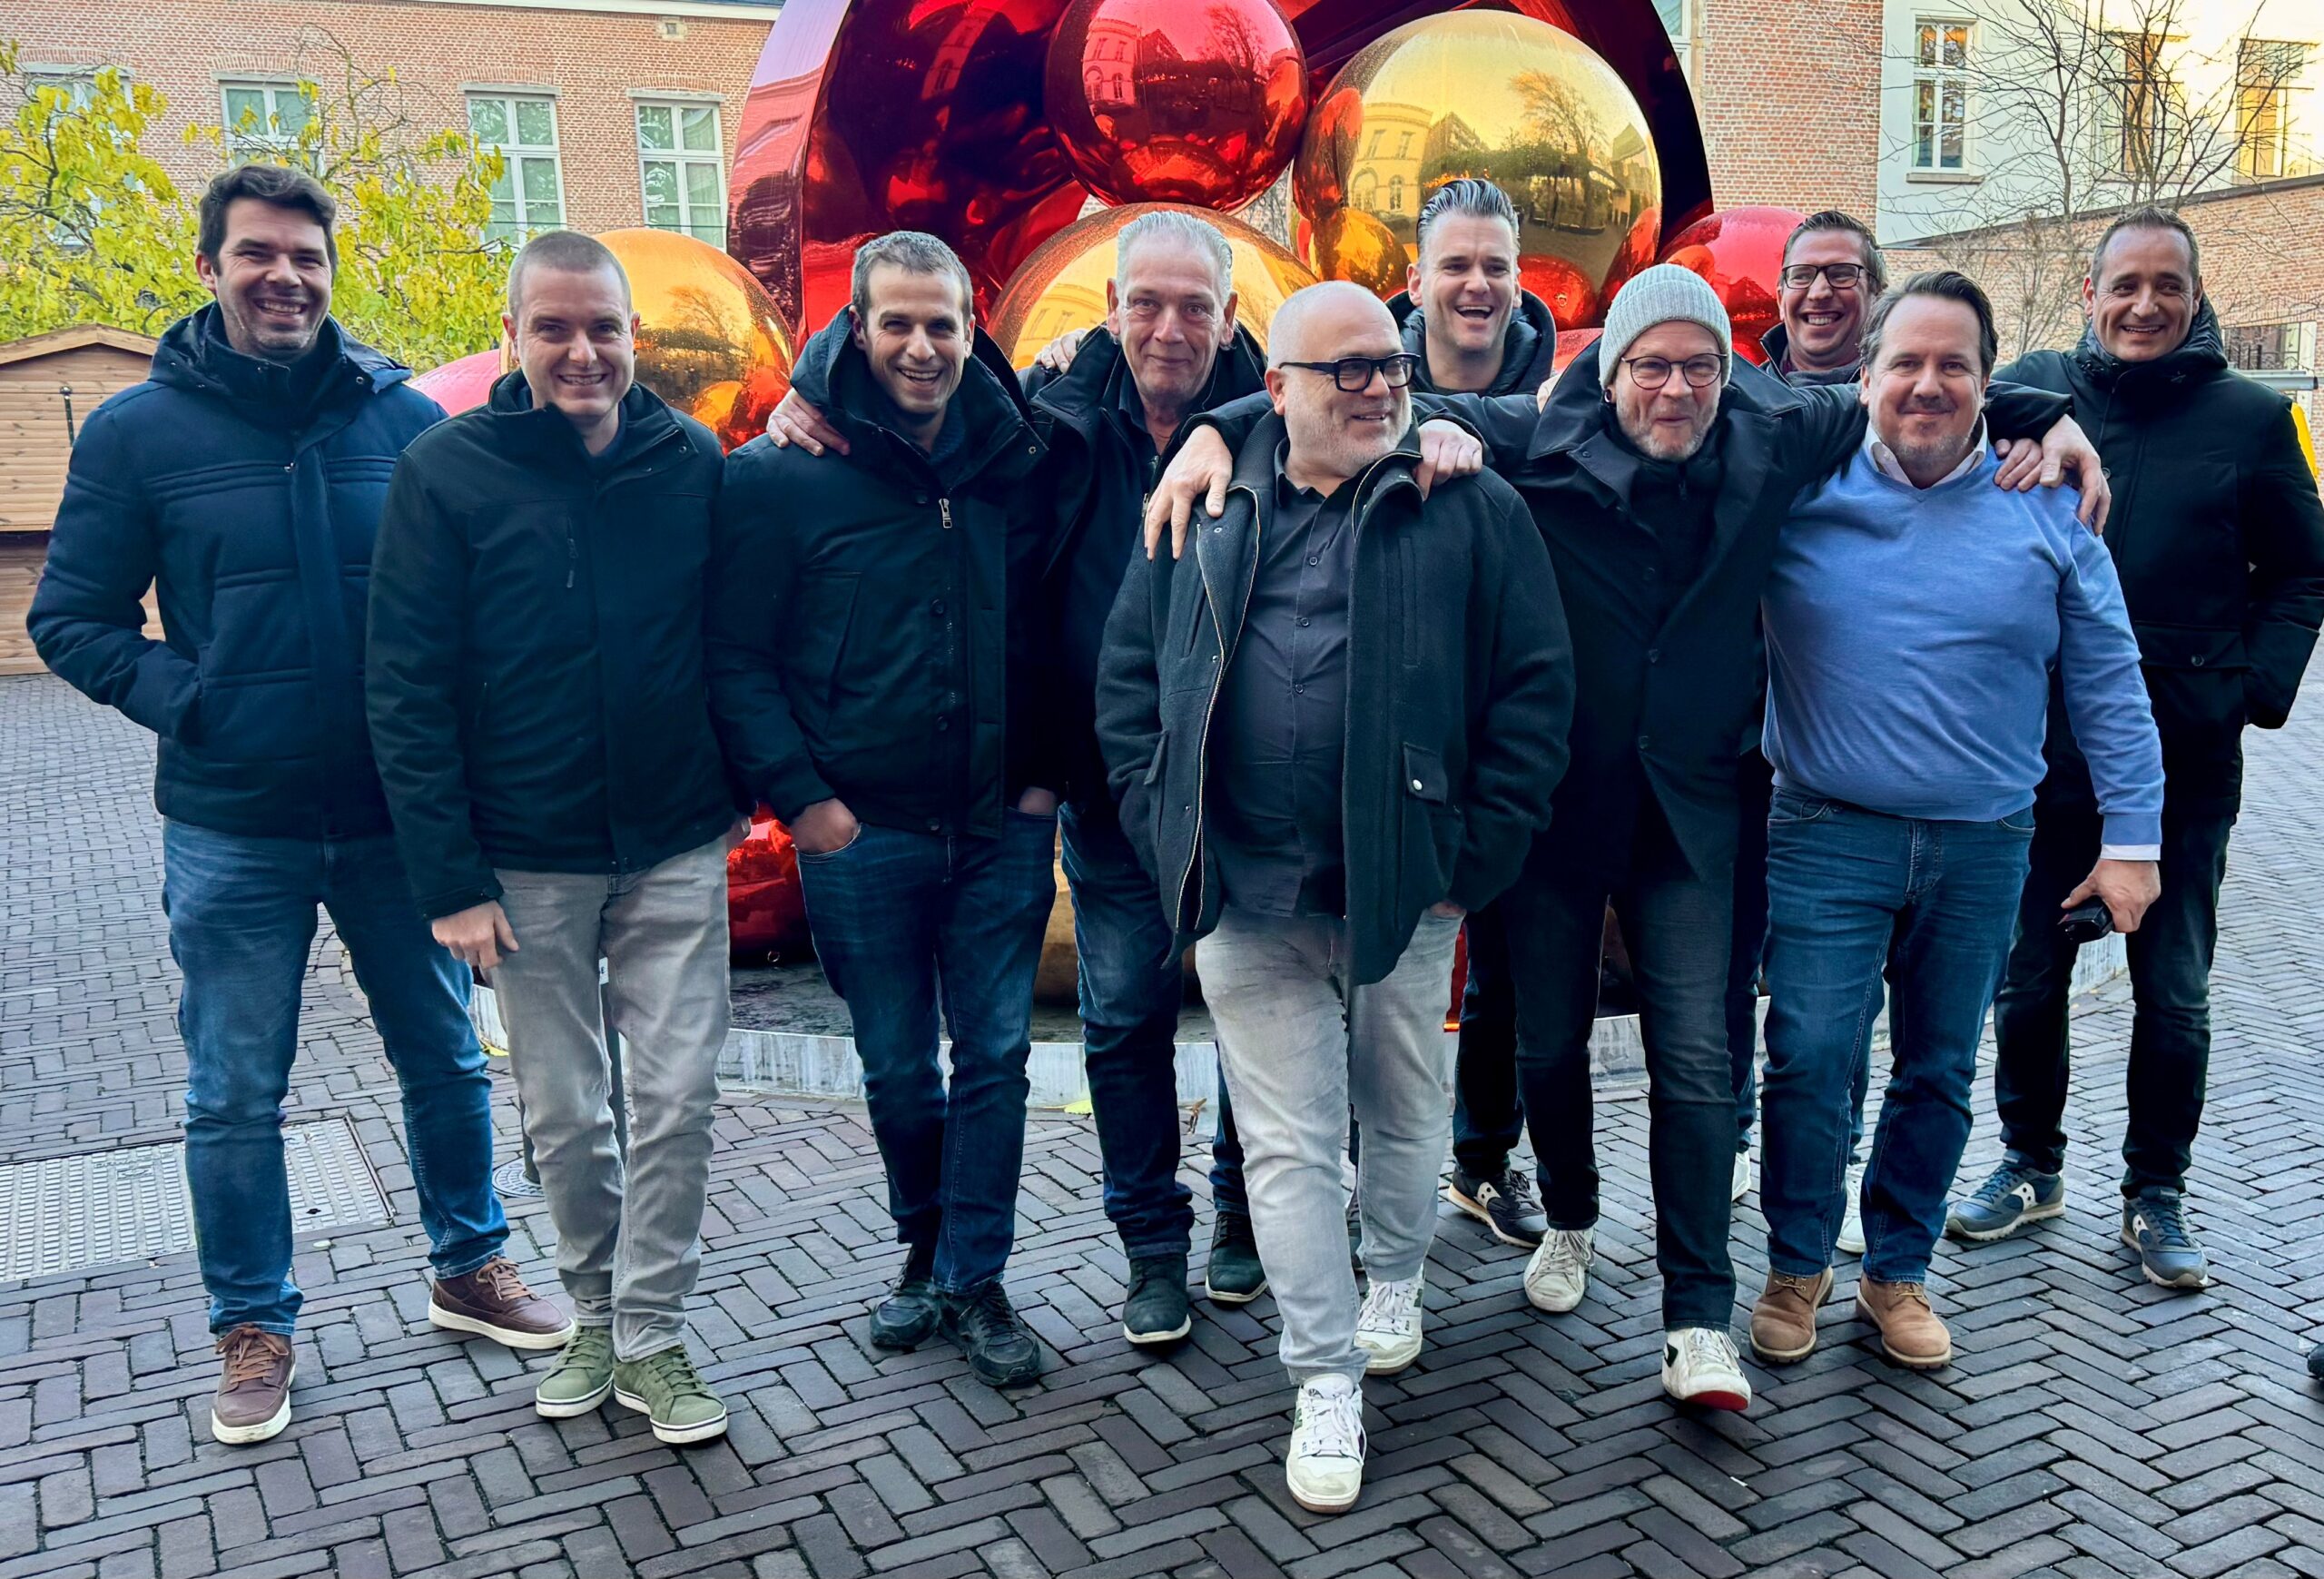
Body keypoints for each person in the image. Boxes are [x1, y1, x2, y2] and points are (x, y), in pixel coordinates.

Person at [1147, 264, 2105, 1413]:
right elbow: (1352, 391)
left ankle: (1696, 1314)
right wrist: (1218, 428)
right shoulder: (1535, 436)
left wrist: (2044, 412)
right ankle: (1571, 1214)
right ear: (1610, 375)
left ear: (1725, 374)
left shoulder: (1773, 429)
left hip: (1695, 810)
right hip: (1561, 807)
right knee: (1547, 1044)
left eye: (1698, 365)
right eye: (1650, 365)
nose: (1675, 388)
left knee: (1697, 1058)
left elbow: (1906, 384)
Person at [27, 165, 566, 1447]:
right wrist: (197, 701)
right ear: (209, 267)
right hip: (235, 823)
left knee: (444, 1055)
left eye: (306, 257)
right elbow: (71, 618)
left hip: (395, 819)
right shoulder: (137, 433)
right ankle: (253, 1325)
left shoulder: (401, 421)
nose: (285, 277)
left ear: (331, 271)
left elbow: (474, 596)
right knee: (234, 1089)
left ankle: (469, 1263)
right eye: (258, 253)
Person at [1097, 281, 1571, 1513]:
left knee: (1404, 1107)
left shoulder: (1466, 504)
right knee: (1289, 1144)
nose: (1377, 387)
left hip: (1403, 890)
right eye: (1346, 369)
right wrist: (1165, 820)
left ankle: (1396, 1272)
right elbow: (1130, 677)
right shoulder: (1204, 502)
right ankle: (1322, 1375)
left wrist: (1470, 863)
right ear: (1277, 388)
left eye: (1389, 367)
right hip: (1245, 896)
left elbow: (1534, 688)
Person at [763, 212, 1273, 1336]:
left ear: (1232, 314)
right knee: (1123, 1020)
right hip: (1109, 785)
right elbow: (1014, 586)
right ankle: (1151, 1244)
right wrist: (799, 394)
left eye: (1195, 305)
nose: (1169, 326)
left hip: (1248, 789)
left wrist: (1233, 424)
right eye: (1147, 302)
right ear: (1111, 308)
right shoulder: (1053, 418)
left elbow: (1400, 398)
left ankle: (1242, 1215)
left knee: (1258, 1014)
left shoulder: (1281, 415)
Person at [1748, 271, 2163, 1372]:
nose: (1927, 385)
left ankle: (1896, 1271)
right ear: (1864, 376)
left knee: (1935, 1068)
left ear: (1989, 382)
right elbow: (1703, 403)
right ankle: (1796, 1260)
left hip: (1983, 843)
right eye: (1906, 363)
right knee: (1807, 1056)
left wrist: (2131, 841)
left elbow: (2109, 681)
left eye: (1954, 366)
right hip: (1826, 829)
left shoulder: (2048, 505)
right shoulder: (1796, 490)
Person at [367, 231, 739, 1445]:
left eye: (603, 328)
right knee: (568, 1113)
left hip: (674, 840)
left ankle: (654, 1334)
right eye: (555, 328)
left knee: (676, 1101)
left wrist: (738, 788)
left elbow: (731, 636)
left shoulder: (689, 459)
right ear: (513, 335)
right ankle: (594, 1311)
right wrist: (450, 878)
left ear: (636, 335)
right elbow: (405, 684)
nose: (582, 351)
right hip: (524, 860)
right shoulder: (444, 471)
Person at [709, 232, 1065, 1388]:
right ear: (856, 326)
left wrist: (1039, 781)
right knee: (899, 1066)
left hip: (999, 827)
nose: (921, 346)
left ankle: (974, 1275)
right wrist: (807, 804)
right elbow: (738, 655)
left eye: (941, 324)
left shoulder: (1019, 455)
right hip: (861, 835)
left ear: (972, 328)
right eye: (897, 323)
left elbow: (1056, 628)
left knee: (997, 1057)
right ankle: (926, 1247)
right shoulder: (782, 474)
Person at [1951, 207, 2324, 1289]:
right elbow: (1933, 400)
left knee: (2173, 993)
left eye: (2168, 285)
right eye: (2125, 284)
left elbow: (2304, 570)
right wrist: (2037, 414)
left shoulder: (2255, 419)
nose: (2145, 305)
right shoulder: (2032, 390)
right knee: (2027, 979)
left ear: (2196, 297)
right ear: (2090, 293)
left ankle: (2155, 1189)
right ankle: (2029, 1163)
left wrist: (2251, 689)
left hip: (2183, 763)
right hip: (2040, 754)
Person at [1732, 210, 1891, 1241]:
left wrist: (2044, 414)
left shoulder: (1903, 404)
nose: (1820, 293)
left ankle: (1838, 1149)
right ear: (1779, 291)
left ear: (1873, 290)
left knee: (1841, 977)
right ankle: (1744, 1133)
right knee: (1739, 952)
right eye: (1803, 275)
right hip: (1741, 730)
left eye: (1842, 275)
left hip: (1845, 739)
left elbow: (1990, 393)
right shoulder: (1742, 396)